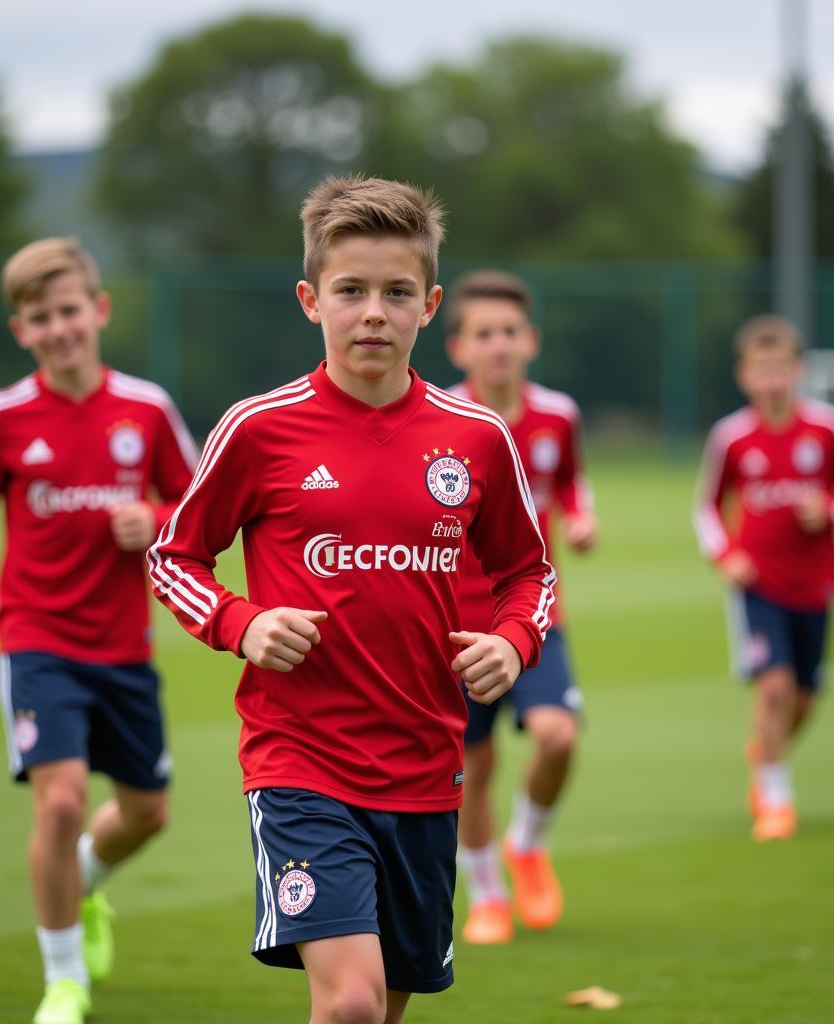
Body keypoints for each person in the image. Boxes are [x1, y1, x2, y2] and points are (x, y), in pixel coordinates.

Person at [148, 176, 556, 1024]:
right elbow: (174, 557)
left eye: (397, 292)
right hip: (301, 763)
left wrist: (514, 642)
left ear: (430, 305)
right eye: (351, 291)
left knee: (384, 1008)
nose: (374, 311)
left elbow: (532, 574)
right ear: (311, 300)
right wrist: (242, 621)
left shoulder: (477, 438)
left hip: (426, 769)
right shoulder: (259, 428)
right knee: (352, 1006)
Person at [0, 238, 198, 1024]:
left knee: (148, 814)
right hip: (36, 641)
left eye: (70, 310)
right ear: (22, 331)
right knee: (62, 802)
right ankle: (63, 980)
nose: (60, 328)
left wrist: (160, 517)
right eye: (42, 318)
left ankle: (82, 889)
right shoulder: (1, 419)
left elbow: (203, 503)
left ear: (98, 311)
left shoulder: (147, 408)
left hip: (126, 646)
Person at [444, 270, 598, 944]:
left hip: (533, 613)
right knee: (471, 769)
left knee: (558, 735)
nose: (499, 345)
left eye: (510, 332)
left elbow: (571, 484)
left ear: (530, 340)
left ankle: (527, 845)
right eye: (484, 333)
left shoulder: (557, 416)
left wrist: (583, 518)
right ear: (458, 347)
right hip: (456, 625)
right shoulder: (442, 418)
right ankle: (486, 896)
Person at [694, 314, 834, 842]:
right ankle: (775, 798)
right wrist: (726, 554)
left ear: (797, 371)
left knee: (805, 696)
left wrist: (832, 509)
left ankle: (766, 750)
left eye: (781, 369)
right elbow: (706, 506)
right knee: (774, 687)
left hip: (816, 582)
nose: (771, 380)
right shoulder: (731, 436)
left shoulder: (827, 427)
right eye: (760, 370)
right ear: (744, 375)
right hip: (758, 584)